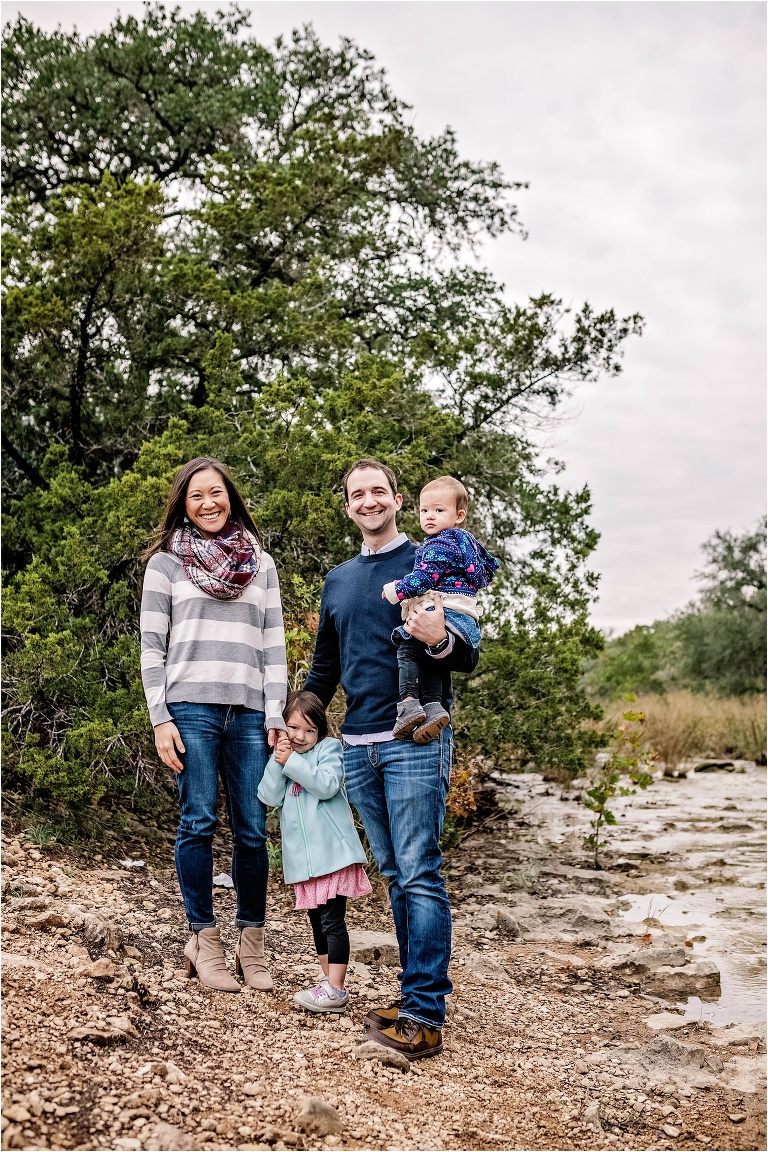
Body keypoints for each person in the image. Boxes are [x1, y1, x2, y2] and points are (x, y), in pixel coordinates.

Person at [304, 458, 479, 1060]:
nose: (369, 500)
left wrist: (438, 636)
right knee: (397, 876)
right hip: (356, 747)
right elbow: (325, 667)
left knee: (421, 871)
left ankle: (425, 1016)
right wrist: (299, 710)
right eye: (358, 494)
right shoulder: (339, 579)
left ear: (398, 500)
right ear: (347, 504)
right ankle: (412, 1000)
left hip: (414, 740)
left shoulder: (431, 559)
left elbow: (467, 652)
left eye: (379, 490)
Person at [140, 456, 287, 993]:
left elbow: (274, 646)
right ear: (184, 503)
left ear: (231, 498)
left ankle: (253, 942)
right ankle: (202, 938)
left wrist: (276, 714)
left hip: (249, 713)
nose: (208, 503)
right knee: (198, 821)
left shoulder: (261, 564)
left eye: (216, 493)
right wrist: (160, 719)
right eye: (196, 495)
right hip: (190, 710)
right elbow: (152, 648)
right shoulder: (165, 565)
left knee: (252, 829)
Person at [258, 690, 371, 1013]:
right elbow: (269, 796)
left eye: (310, 730)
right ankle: (327, 983)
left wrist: (292, 761)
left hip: (332, 857)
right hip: (305, 864)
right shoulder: (284, 758)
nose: (301, 736)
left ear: (320, 731)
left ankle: (336, 987)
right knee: (317, 923)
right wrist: (278, 761)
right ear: (283, 728)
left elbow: (326, 786)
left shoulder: (329, 750)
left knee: (333, 922)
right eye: (293, 728)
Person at [381, 476, 499, 743]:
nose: (429, 516)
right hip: (462, 614)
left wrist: (395, 590)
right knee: (429, 653)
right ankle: (434, 707)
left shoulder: (439, 544)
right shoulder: (463, 542)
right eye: (424, 510)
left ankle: (409, 704)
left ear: (459, 515)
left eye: (438, 510)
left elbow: (424, 579)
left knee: (409, 648)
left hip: (444, 609)